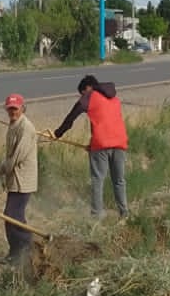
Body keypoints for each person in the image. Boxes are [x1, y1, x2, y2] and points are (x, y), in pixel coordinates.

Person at [50, 75, 129, 219]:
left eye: (82, 93)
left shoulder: (90, 96)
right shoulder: (113, 96)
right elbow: (106, 121)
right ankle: (124, 214)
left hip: (101, 144)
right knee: (119, 180)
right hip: (120, 142)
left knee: (98, 180)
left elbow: (71, 117)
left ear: (87, 88)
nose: (82, 96)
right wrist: (93, 144)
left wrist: (57, 134)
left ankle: (96, 216)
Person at [0, 94, 39, 272]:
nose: (12, 111)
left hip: (23, 180)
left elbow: (15, 159)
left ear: (22, 108)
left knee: (13, 216)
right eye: (10, 108)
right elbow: (9, 155)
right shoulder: (13, 125)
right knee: (12, 216)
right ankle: (17, 252)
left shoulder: (26, 128)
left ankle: (26, 250)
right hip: (14, 180)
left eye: (15, 108)